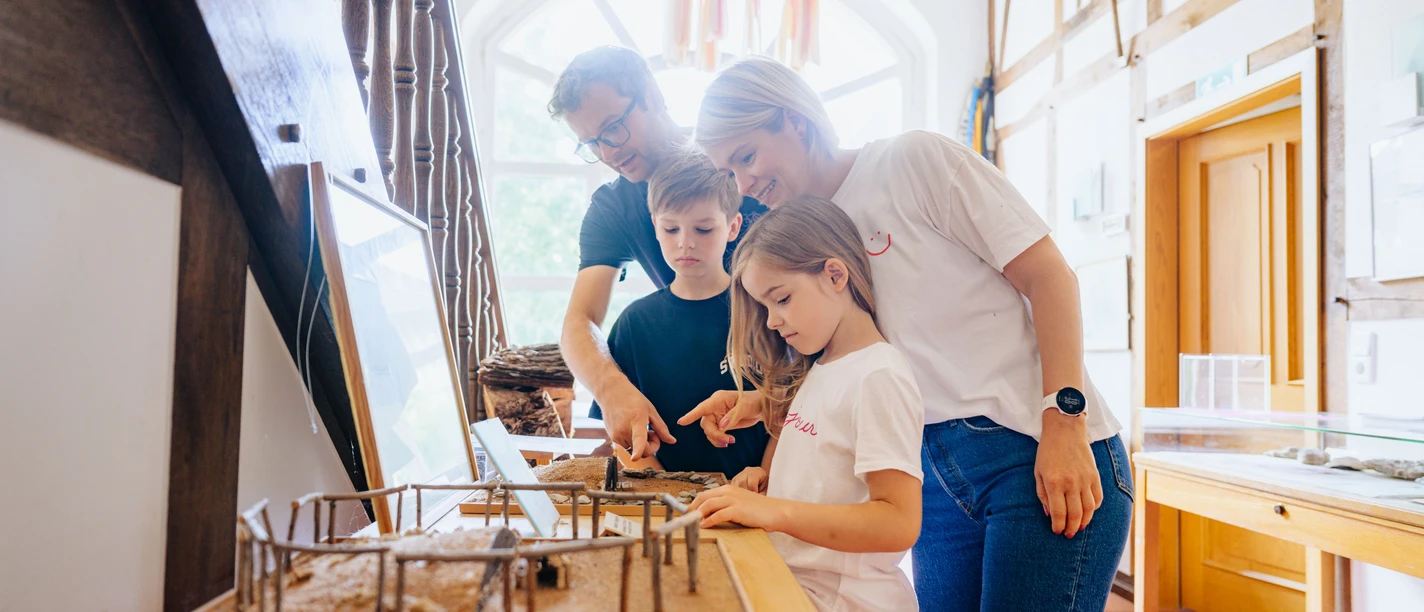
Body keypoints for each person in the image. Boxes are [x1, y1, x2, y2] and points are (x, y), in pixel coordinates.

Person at [683, 56, 1133, 611]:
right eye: (729, 171)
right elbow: (874, 362)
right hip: (930, 474)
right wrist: (763, 403)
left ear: (795, 121)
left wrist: (1064, 423)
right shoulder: (810, 232)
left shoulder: (915, 160)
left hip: (1033, 446)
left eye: (746, 157)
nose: (744, 184)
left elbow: (1051, 277)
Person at [691, 196, 923, 611]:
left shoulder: (878, 375)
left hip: (844, 600)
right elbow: (825, 482)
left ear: (835, 275)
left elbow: (899, 522)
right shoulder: (823, 368)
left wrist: (773, 511)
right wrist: (766, 487)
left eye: (781, 299)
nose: (771, 320)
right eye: (764, 307)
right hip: (795, 585)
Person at [548, 46, 767, 460]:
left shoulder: (739, 163)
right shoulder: (612, 208)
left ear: (652, 96)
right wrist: (611, 389)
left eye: (613, 129)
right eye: (591, 143)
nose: (608, 153)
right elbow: (580, 319)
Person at [588, 148, 771, 479]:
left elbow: (793, 413)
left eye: (703, 229)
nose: (686, 243)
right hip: (665, 500)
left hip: (758, 495)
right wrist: (666, 492)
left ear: (732, 227)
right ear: (655, 226)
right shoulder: (635, 324)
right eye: (672, 229)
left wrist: (765, 479)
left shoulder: (765, 310)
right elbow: (624, 436)